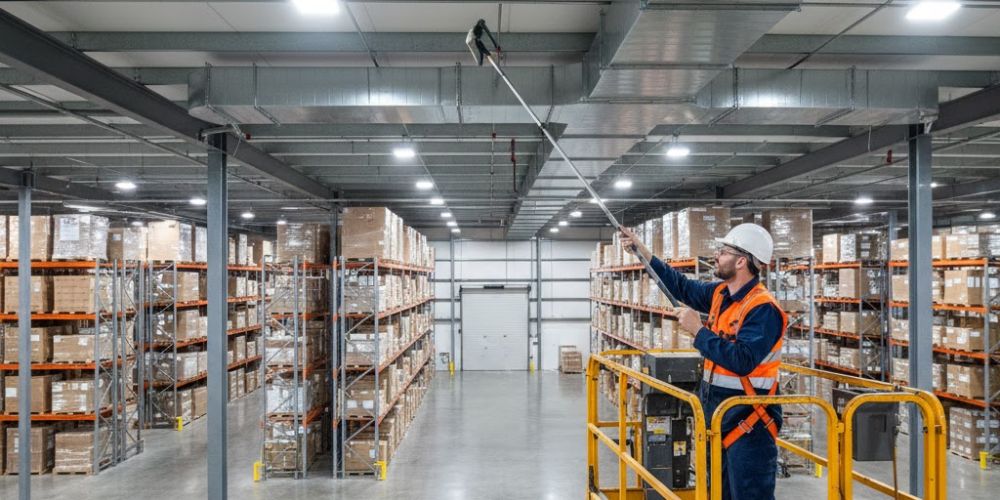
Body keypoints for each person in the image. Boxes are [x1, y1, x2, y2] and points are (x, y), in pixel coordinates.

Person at [619, 223, 786, 500]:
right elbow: (681, 286)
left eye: (724, 252)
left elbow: (743, 360)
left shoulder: (763, 309)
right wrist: (643, 252)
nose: (716, 256)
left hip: (749, 422)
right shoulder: (721, 294)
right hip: (718, 417)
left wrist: (698, 330)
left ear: (741, 261)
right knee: (718, 493)